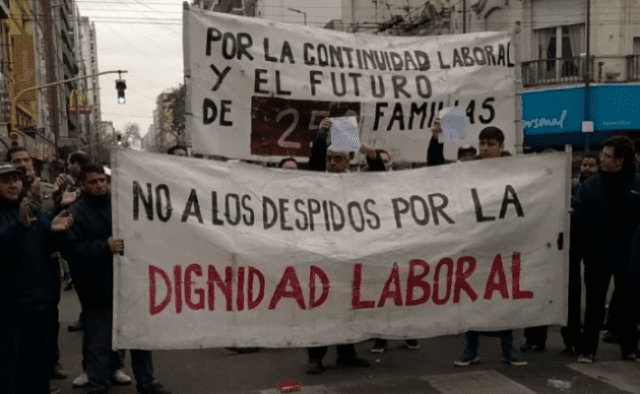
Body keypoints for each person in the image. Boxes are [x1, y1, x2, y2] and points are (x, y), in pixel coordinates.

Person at [61, 164, 171, 394]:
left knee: (138, 337)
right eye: (93, 182)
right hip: (97, 287)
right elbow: (72, 251)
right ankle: (99, 385)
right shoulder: (76, 213)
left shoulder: (124, 205)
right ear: (83, 185)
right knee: (99, 342)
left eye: (103, 180)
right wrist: (104, 247)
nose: (100, 185)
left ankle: (147, 382)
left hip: (131, 281)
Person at [426, 120, 526, 366]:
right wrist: (436, 139)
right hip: (476, 242)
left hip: (502, 242)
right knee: (472, 296)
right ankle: (471, 350)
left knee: (504, 297)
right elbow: (437, 168)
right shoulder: (469, 167)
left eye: (491, 144)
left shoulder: (516, 170)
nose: (485, 148)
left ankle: (508, 348)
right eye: (482, 143)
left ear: (501, 146)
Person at [0, 161, 74, 394]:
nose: (13, 184)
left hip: (38, 304)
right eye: (5, 180)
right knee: (12, 373)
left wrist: (57, 225)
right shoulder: (15, 214)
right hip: (9, 308)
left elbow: (46, 242)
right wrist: (18, 227)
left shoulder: (29, 207)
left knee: (38, 369)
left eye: (16, 179)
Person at [305, 118, 370, 374]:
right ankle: (316, 356)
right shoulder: (319, 182)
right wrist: (321, 136)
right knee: (321, 307)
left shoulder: (357, 183)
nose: (333, 164)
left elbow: (382, 184)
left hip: (349, 253)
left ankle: (346, 352)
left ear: (349, 161)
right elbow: (313, 165)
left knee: (347, 306)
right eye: (330, 160)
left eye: (338, 159)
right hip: (324, 252)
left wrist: (373, 157)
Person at [574, 135, 640, 363]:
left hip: (628, 257)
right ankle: (587, 350)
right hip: (597, 256)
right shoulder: (589, 187)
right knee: (594, 304)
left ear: (621, 160)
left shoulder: (637, 185)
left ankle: (630, 348)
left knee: (628, 305)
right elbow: (578, 220)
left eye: (608, 156)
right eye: (603, 154)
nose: (603, 159)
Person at [360, 143, 420, 353]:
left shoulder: (402, 186)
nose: (384, 167)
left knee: (404, 292)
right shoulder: (368, 184)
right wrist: (372, 156)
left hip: (401, 244)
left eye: (387, 162)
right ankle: (381, 336)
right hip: (378, 246)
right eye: (380, 162)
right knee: (381, 294)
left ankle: (407, 332)